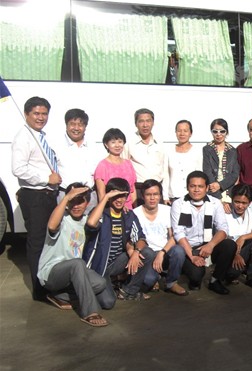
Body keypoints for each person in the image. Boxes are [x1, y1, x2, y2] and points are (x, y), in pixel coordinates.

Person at [37, 183, 113, 326]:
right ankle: (90, 312)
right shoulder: (62, 219)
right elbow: (52, 226)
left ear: (87, 203)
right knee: (77, 264)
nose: (76, 206)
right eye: (72, 201)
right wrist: (66, 198)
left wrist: (106, 197)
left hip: (74, 273)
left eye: (80, 202)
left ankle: (60, 296)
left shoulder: (85, 220)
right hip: (52, 273)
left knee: (100, 283)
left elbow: (93, 222)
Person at [11, 96, 61, 301]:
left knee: (50, 241)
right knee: (38, 242)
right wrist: (46, 178)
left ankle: (48, 281)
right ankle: (40, 290)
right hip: (35, 197)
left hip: (48, 195)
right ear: (26, 114)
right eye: (36, 113)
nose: (41, 117)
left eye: (44, 114)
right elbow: (18, 169)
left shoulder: (40, 136)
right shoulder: (23, 137)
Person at [84, 177, 154, 302]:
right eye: (116, 196)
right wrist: (105, 197)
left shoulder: (128, 215)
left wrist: (136, 252)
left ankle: (128, 291)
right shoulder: (101, 213)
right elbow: (91, 223)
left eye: (123, 196)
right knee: (108, 302)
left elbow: (141, 238)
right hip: (100, 266)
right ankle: (113, 282)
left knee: (147, 253)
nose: (120, 200)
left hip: (117, 262)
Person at [171, 170, 237, 294]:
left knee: (229, 245)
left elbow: (223, 229)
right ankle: (191, 276)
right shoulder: (178, 204)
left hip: (207, 245)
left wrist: (211, 245)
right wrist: (192, 256)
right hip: (189, 248)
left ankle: (215, 280)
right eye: (193, 186)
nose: (196, 190)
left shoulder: (215, 203)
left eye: (200, 186)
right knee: (196, 276)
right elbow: (178, 233)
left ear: (206, 188)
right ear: (187, 187)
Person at [133, 179, 188, 296]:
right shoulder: (135, 213)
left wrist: (162, 253)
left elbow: (173, 236)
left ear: (160, 195)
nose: (152, 198)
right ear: (142, 196)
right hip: (147, 254)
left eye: (156, 194)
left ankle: (171, 282)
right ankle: (156, 277)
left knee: (179, 250)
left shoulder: (167, 210)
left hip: (164, 251)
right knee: (148, 281)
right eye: (148, 194)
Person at [55, 108, 103, 209]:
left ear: (85, 127)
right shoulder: (56, 146)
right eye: (72, 124)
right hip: (65, 196)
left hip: (90, 197)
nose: (76, 128)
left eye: (80, 125)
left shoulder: (94, 147)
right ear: (66, 125)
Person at [224, 184, 252, 290]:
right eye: (237, 202)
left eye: (244, 203)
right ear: (232, 199)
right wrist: (235, 253)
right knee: (231, 274)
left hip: (243, 248)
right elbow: (222, 239)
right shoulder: (225, 210)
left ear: (250, 202)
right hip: (227, 251)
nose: (240, 206)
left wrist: (243, 237)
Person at [122, 108, 169, 205]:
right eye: (141, 121)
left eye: (148, 121)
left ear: (153, 123)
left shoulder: (160, 143)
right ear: (136, 124)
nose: (145, 125)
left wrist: (165, 196)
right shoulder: (129, 143)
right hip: (138, 191)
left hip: (157, 189)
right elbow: (123, 169)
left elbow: (165, 171)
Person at [94, 128, 137, 210]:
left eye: (120, 142)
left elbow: (132, 190)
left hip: (129, 210)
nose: (117, 145)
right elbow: (101, 194)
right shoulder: (102, 166)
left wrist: (135, 208)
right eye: (113, 142)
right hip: (112, 209)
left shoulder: (128, 164)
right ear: (106, 145)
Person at [203, 118, 240, 203]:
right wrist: (218, 197)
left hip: (229, 192)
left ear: (227, 132)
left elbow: (235, 174)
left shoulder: (233, 150)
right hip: (212, 192)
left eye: (222, 131)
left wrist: (220, 185)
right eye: (215, 131)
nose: (218, 134)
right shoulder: (206, 149)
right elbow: (207, 172)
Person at [167, 120, 203, 201]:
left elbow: (200, 174)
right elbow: (166, 175)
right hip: (173, 196)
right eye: (179, 131)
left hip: (192, 196)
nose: (182, 133)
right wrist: (165, 196)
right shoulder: (169, 150)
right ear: (175, 132)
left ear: (190, 133)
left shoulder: (197, 151)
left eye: (185, 131)